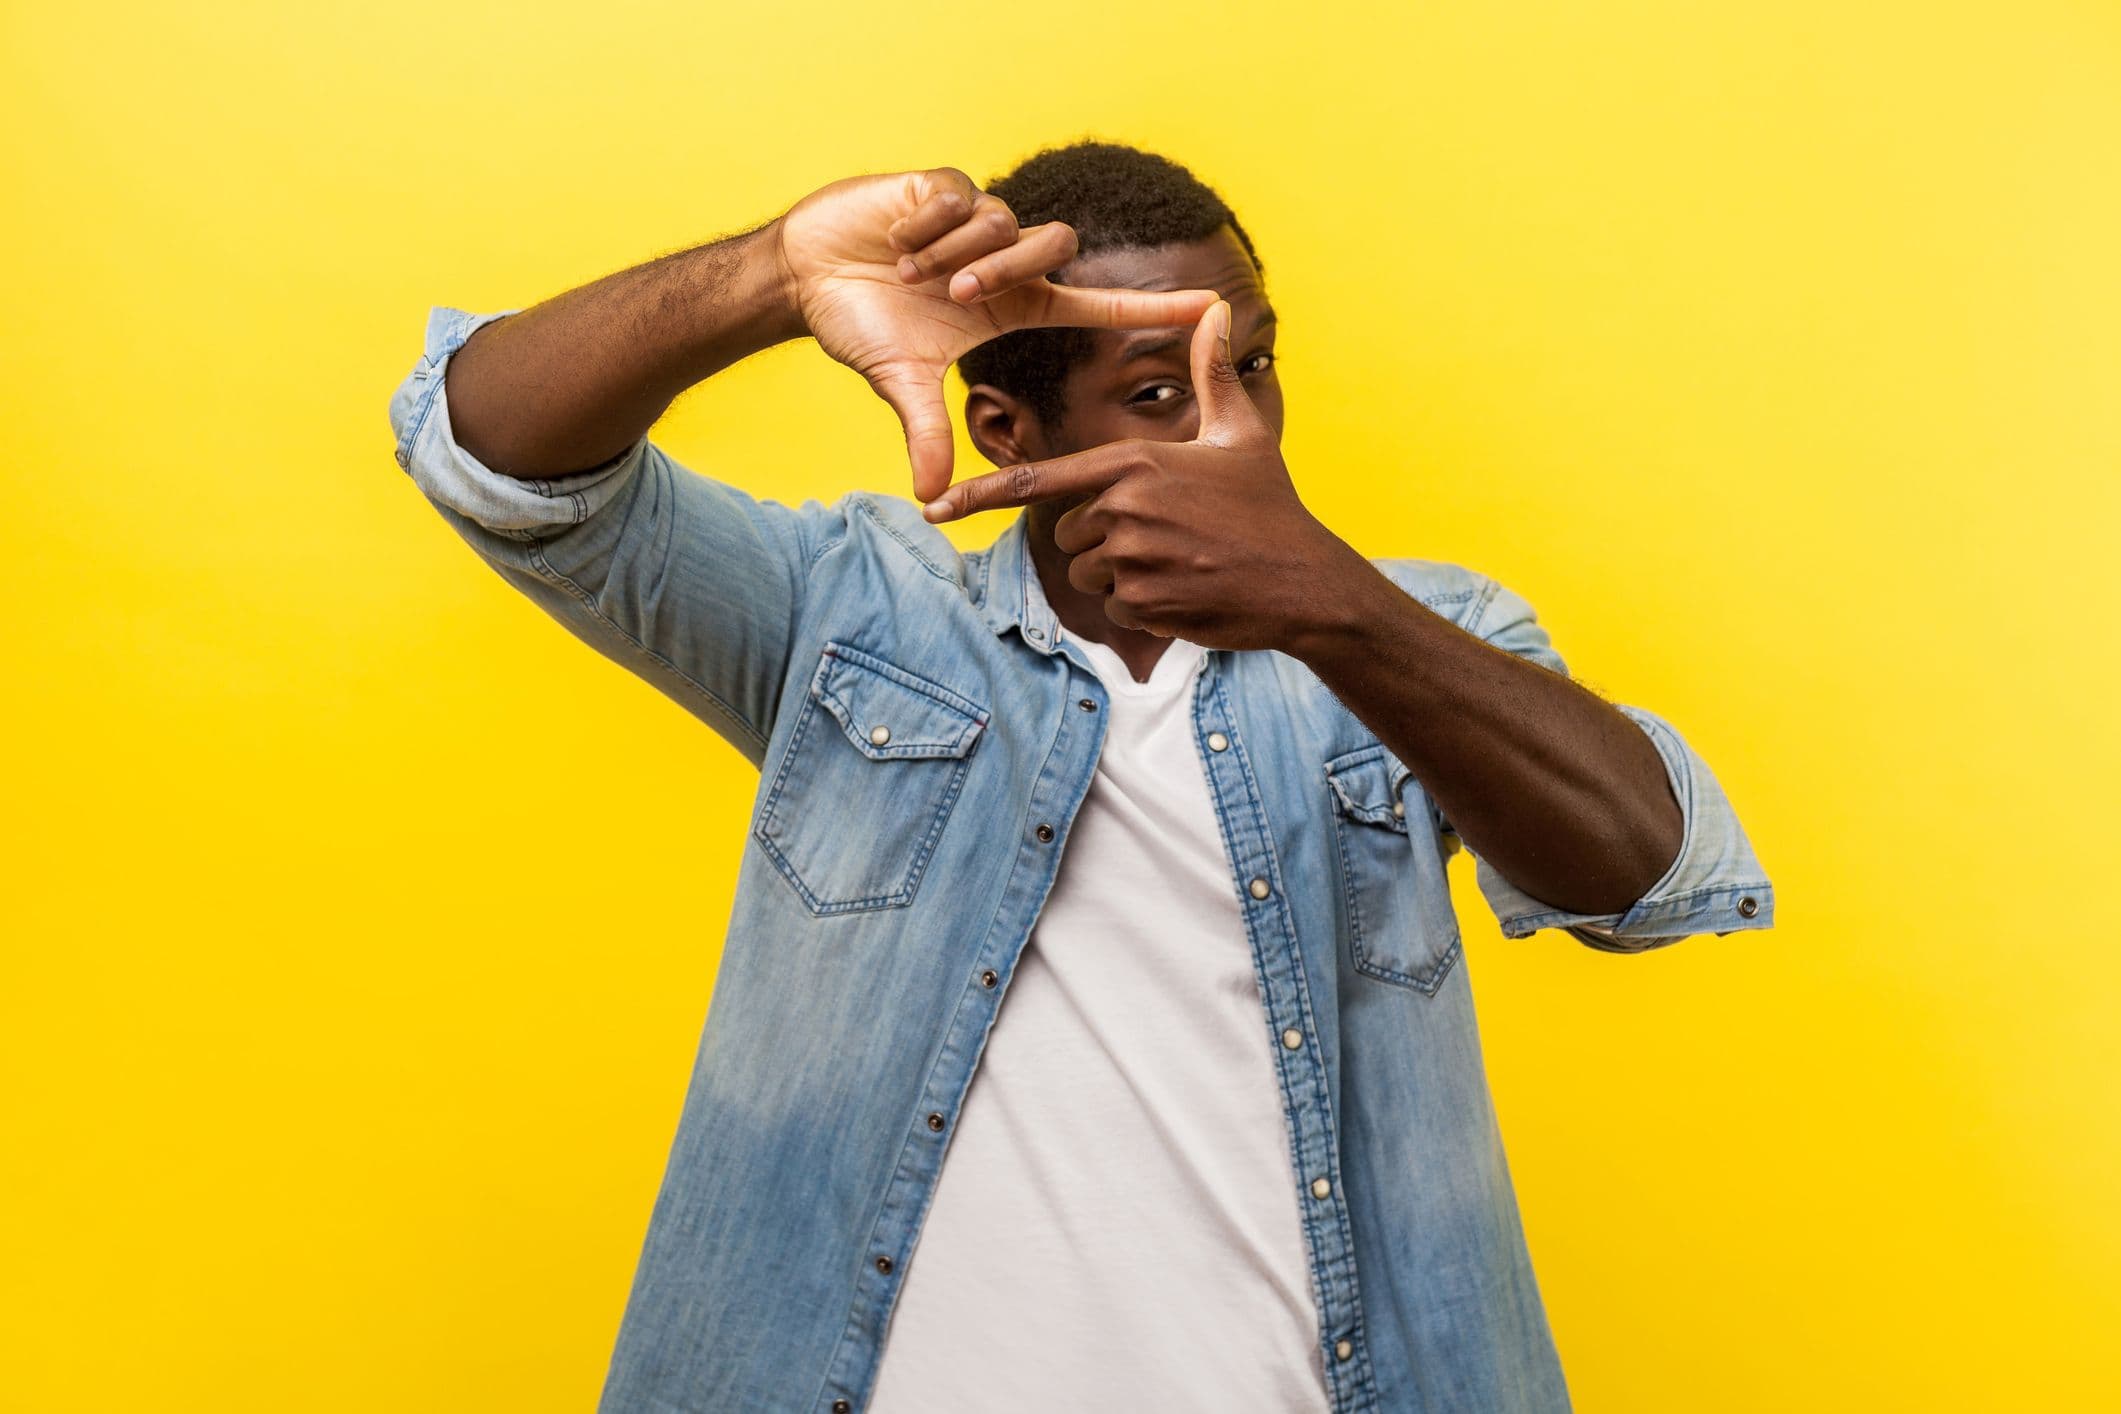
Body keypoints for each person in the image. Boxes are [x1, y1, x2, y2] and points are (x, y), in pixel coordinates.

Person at [385, 140, 1776, 1414]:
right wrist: (770, 275)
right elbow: (492, 459)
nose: (1234, 430)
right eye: (1160, 392)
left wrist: (1331, 606)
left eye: (1254, 368)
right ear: (1005, 433)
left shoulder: (1417, 630)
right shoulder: (850, 615)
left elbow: (1653, 875)